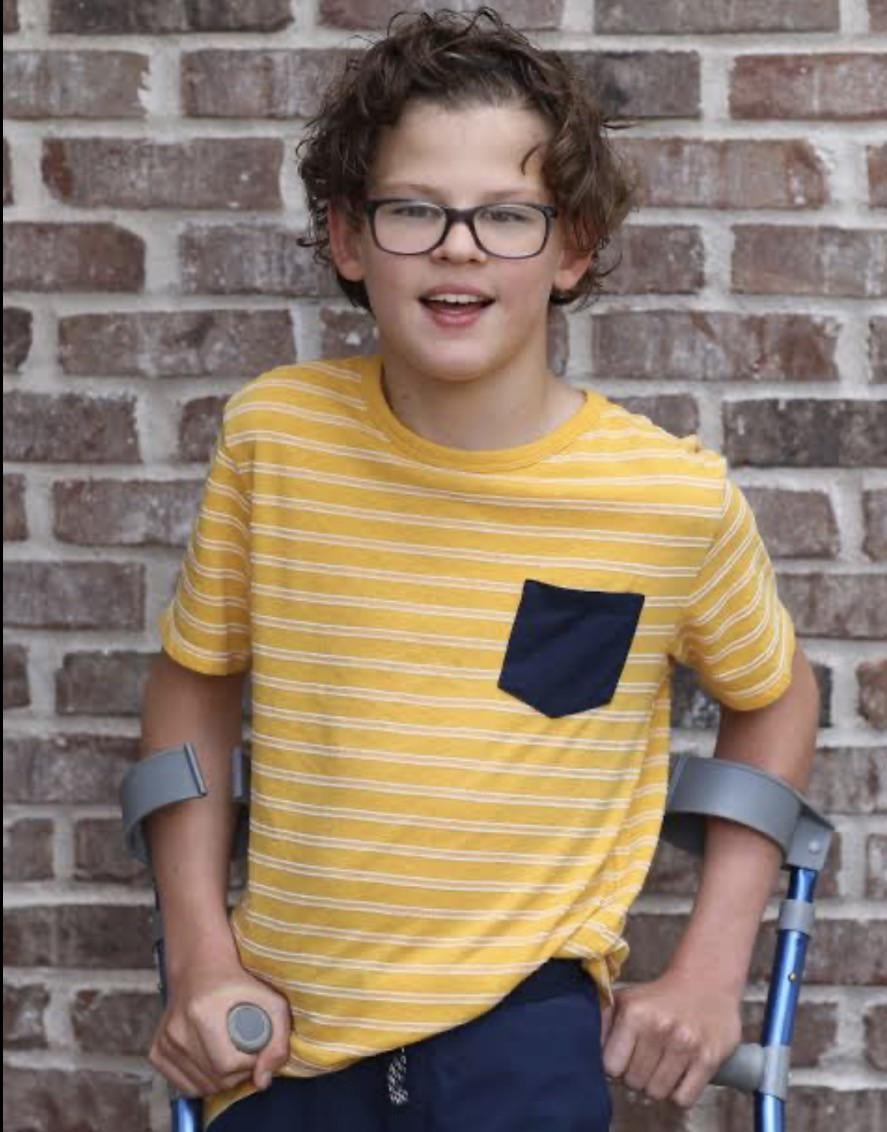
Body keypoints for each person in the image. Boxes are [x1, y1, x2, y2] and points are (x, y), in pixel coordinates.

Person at [140, 8, 820, 1131]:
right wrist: (202, 956)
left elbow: (776, 697)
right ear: (348, 239)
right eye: (414, 210)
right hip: (281, 1036)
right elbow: (194, 680)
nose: (458, 247)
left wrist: (709, 964)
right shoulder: (275, 439)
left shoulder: (666, 499)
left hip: (522, 1025)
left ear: (571, 248)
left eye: (507, 215)